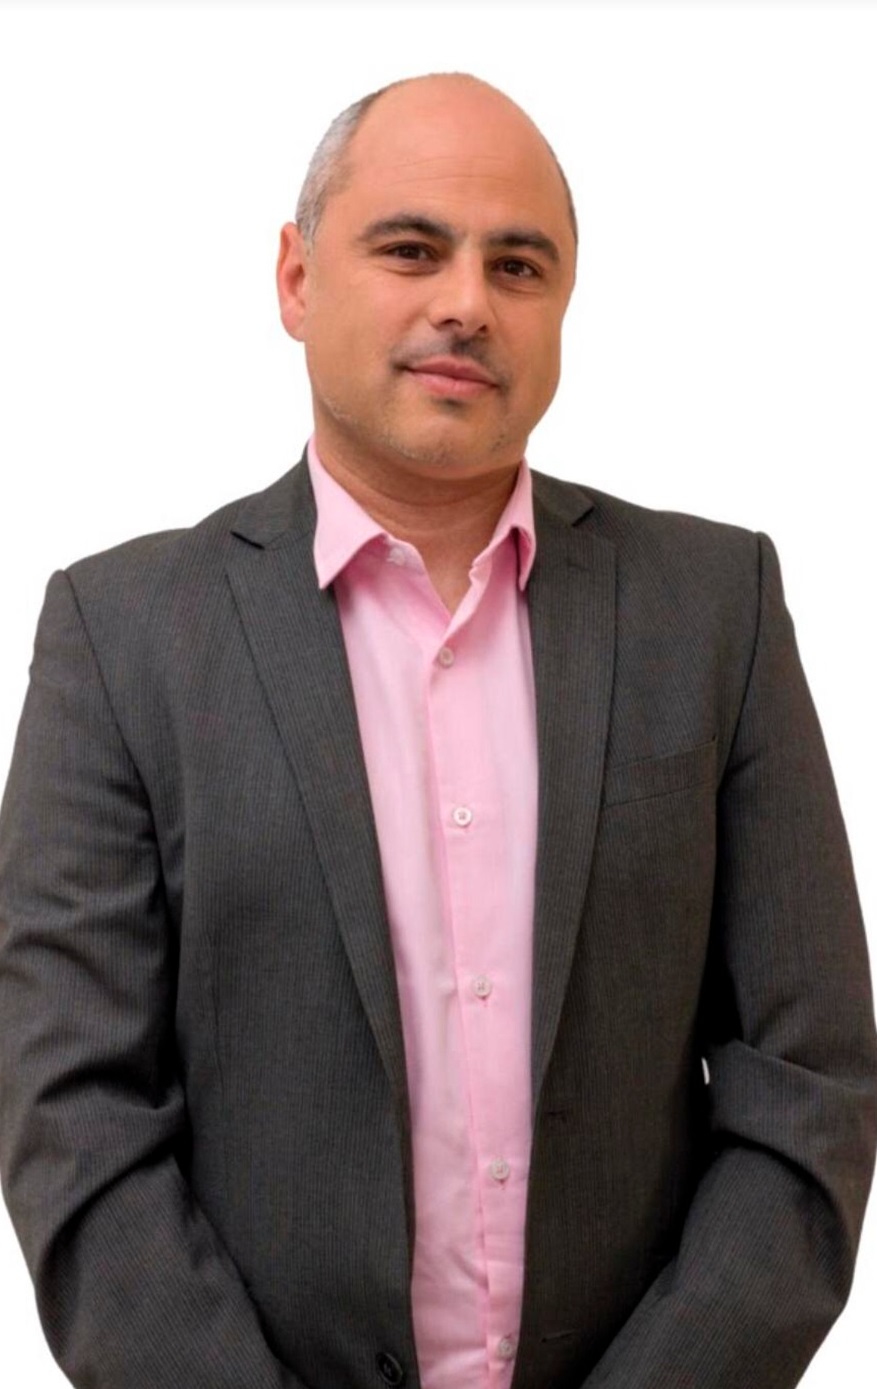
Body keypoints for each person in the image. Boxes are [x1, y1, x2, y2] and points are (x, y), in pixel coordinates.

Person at [0, 70, 874, 1389]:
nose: (467, 301)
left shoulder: (715, 609)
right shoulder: (122, 637)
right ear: (296, 280)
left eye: (517, 265)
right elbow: (73, 1116)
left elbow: (807, 1081)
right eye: (411, 249)